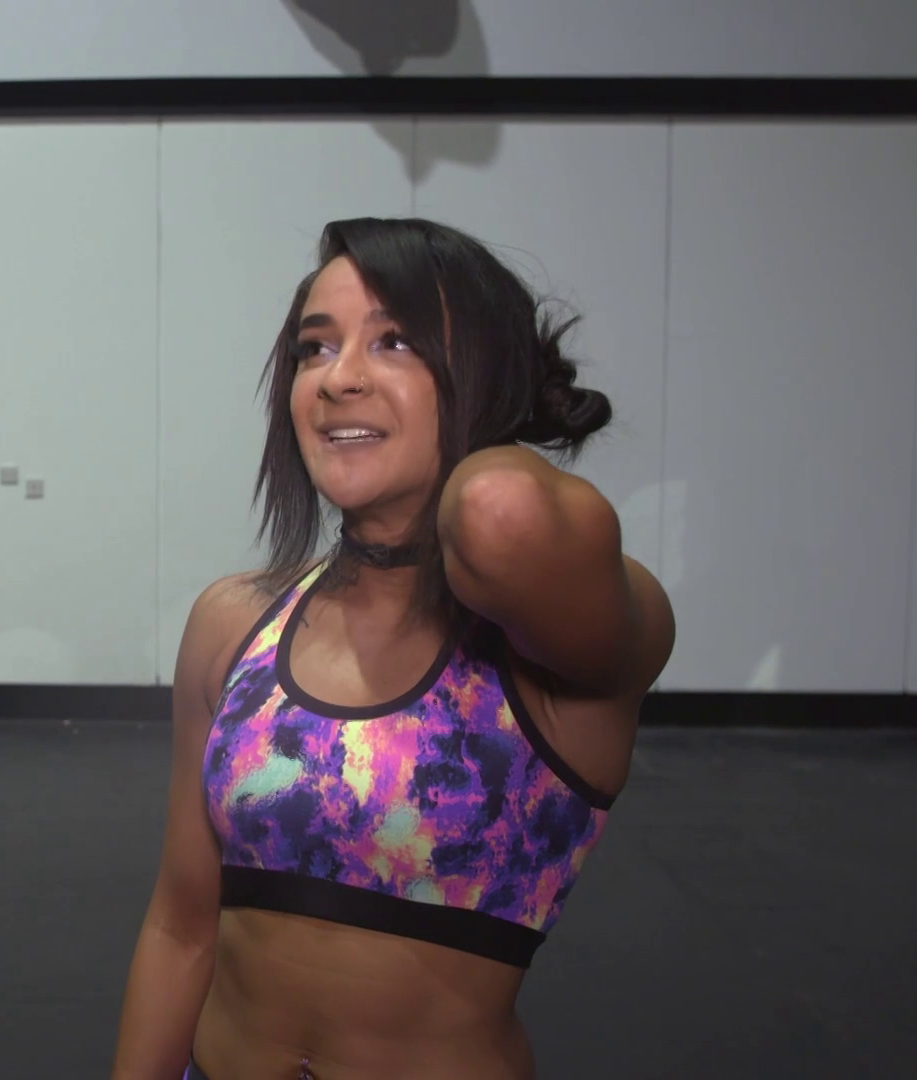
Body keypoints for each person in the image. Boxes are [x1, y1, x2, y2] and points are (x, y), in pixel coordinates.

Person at [111, 217, 676, 1079]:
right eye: (315, 347)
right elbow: (181, 928)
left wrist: (495, 414)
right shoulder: (234, 623)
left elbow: (501, 513)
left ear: (481, 368)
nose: (338, 378)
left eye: (396, 341)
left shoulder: (557, 654)